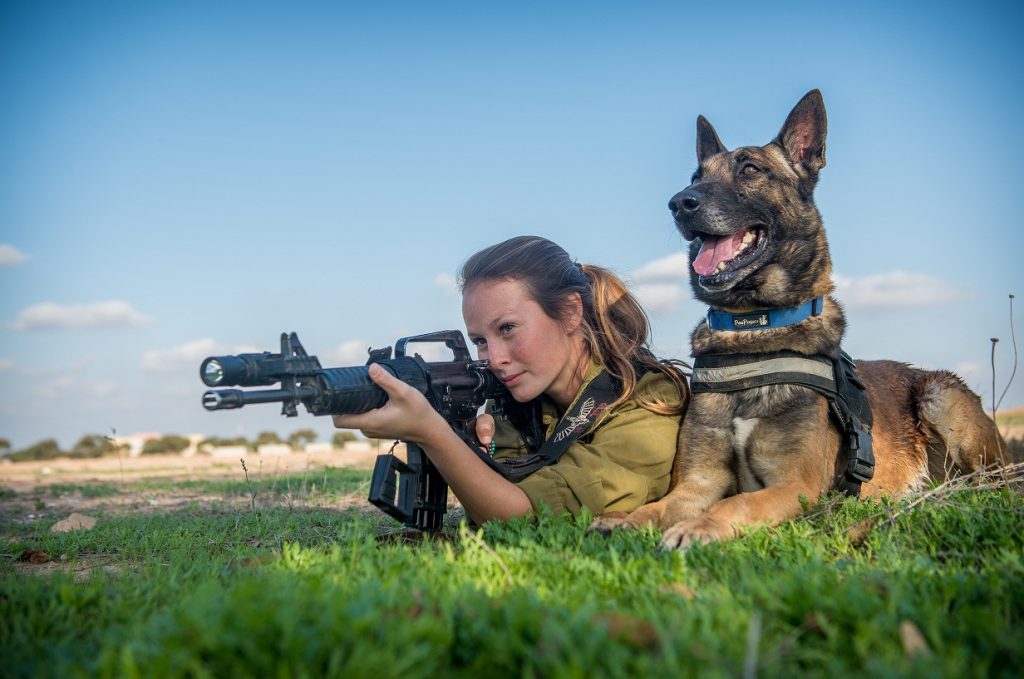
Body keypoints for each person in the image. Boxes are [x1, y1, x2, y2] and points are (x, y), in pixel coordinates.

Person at [333, 236, 688, 524]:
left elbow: (522, 519)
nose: (493, 359)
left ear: (570, 312)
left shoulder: (649, 401)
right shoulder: (521, 400)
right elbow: (491, 502)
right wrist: (466, 445)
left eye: (507, 328)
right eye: (479, 340)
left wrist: (432, 433)